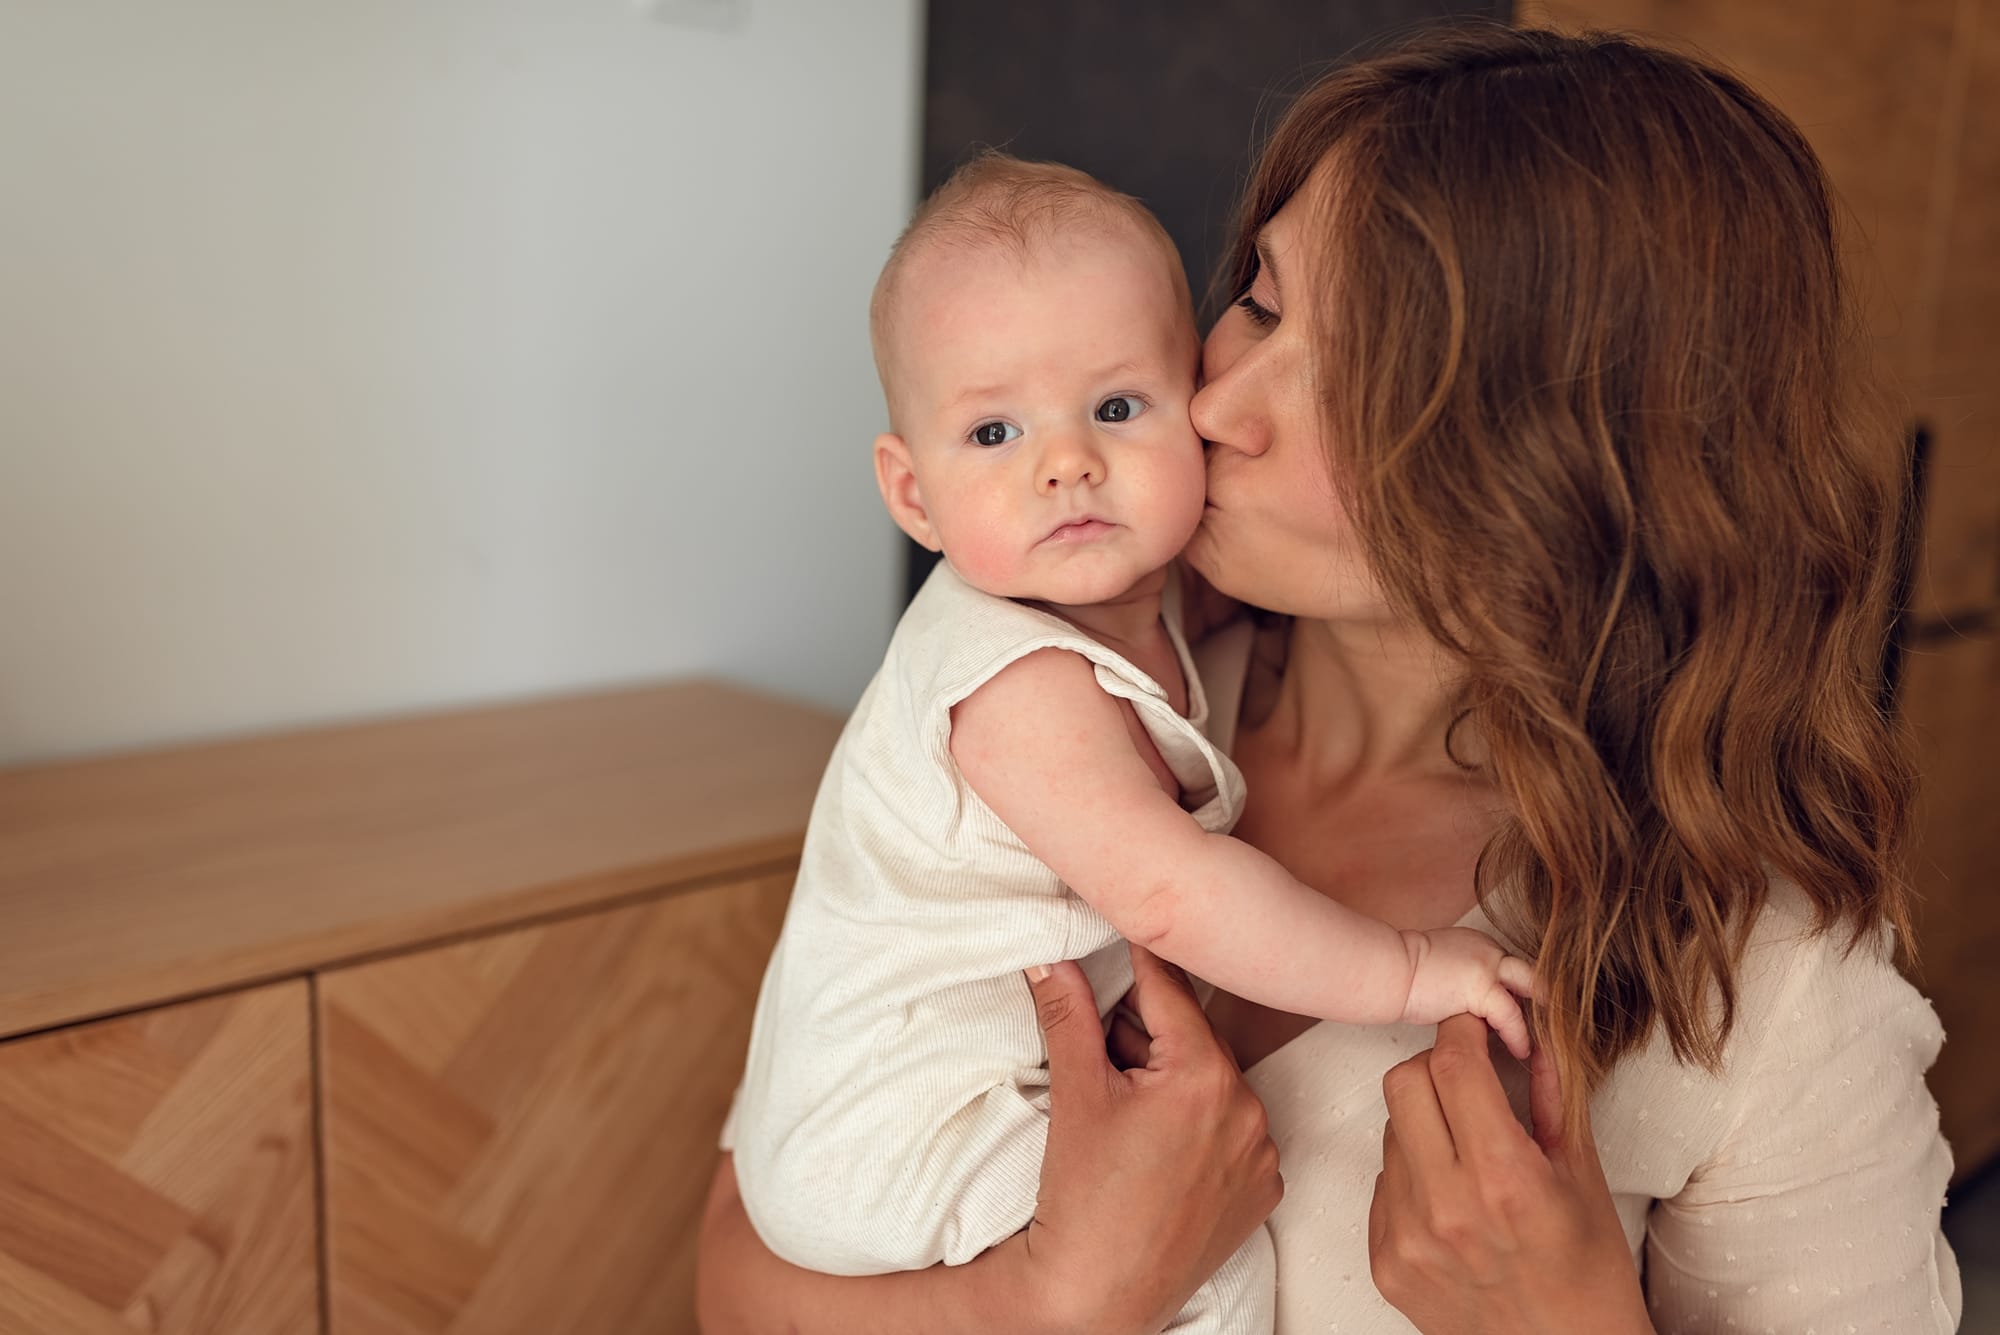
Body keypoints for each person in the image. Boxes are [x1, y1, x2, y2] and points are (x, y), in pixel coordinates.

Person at [697, 22, 1962, 1335]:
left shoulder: (1762, 978)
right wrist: (1052, 1295)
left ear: (1569, 469)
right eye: (1256, 299)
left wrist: (1566, 1318)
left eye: (1360, 373)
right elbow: (735, 1271)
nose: (1219, 401)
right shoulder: (1077, 698)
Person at [725, 150, 1534, 1335]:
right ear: (911, 496)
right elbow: (1166, 893)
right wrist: (1408, 970)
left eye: (1114, 408)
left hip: (915, 1110)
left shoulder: (1143, 617)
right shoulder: (1013, 680)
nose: (1067, 464)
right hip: (897, 1134)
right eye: (994, 431)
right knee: (1207, 1272)